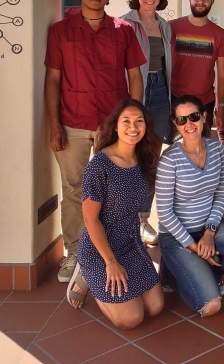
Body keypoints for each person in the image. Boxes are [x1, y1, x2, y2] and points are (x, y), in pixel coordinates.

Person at [44, 0, 145, 282]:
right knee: (74, 190)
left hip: (111, 125)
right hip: (72, 121)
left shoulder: (123, 30)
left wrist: (133, 120)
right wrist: (55, 125)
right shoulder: (61, 31)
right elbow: (53, 80)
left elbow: (135, 77)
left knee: (114, 189)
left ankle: (111, 249)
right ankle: (75, 253)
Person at [65, 99, 164, 329]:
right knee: (131, 319)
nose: (133, 127)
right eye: (126, 121)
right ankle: (86, 274)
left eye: (139, 121)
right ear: (116, 127)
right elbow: (90, 219)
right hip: (100, 249)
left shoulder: (144, 158)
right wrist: (110, 262)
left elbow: (141, 189)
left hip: (130, 243)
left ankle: (109, 279)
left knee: (155, 307)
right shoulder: (100, 165)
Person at [157, 96, 224, 316]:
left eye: (194, 116)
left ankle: (210, 271)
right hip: (176, 236)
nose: (189, 124)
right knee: (211, 306)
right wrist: (195, 247)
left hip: (208, 227)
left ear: (204, 117)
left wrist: (210, 232)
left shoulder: (216, 148)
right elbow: (164, 213)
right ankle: (173, 274)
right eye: (182, 120)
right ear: (175, 124)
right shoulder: (169, 159)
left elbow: (221, 192)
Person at [121, 0, 172, 247]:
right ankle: (123, 220)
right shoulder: (124, 23)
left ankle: (142, 220)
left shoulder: (164, 26)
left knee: (152, 156)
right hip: (134, 91)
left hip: (160, 91)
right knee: (129, 154)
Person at [169, 0, 224, 138]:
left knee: (202, 151)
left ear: (212, 2)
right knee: (176, 152)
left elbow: (223, 74)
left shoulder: (220, 35)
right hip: (174, 99)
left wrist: (221, 106)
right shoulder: (171, 27)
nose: (200, 1)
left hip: (204, 103)